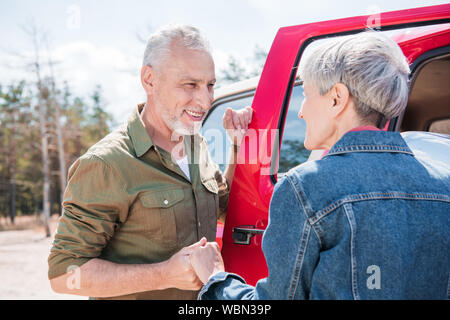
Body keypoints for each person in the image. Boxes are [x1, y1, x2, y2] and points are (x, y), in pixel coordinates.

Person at [189, 31, 450, 300]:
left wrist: (215, 279)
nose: (301, 111)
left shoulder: (305, 187)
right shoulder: (444, 183)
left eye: (307, 94)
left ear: (336, 98)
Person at [48, 24, 252, 300]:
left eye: (210, 85)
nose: (205, 100)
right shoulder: (107, 163)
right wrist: (163, 273)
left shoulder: (195, 144)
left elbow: (225, 208)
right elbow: (64, 274)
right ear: (149, 80)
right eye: (190, 85)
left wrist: (237, 145)